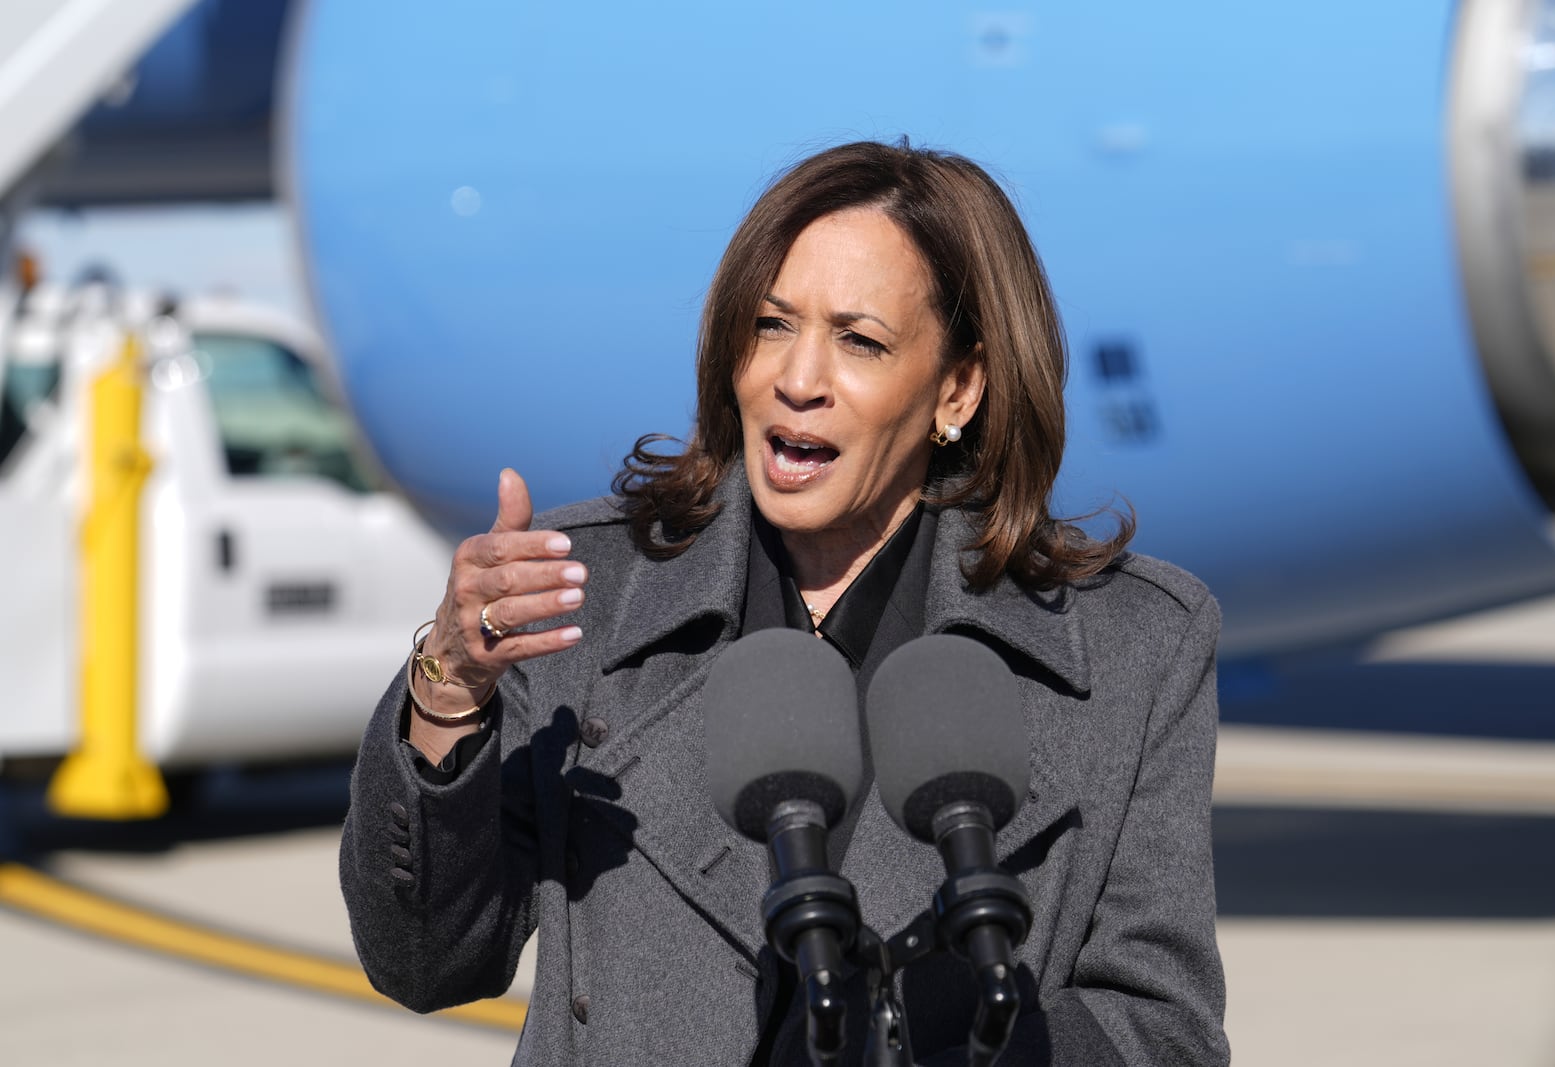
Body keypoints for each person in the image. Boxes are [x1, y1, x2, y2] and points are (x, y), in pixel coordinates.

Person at [340, 140, 1229, 1066]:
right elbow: (423, 959)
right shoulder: (584, 597)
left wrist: (961, 1024)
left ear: (957, 388)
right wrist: (450, 686)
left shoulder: (1139, 648)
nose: (797, 380)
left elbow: (1165, 1033)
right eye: (771, 325)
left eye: (859, 341)